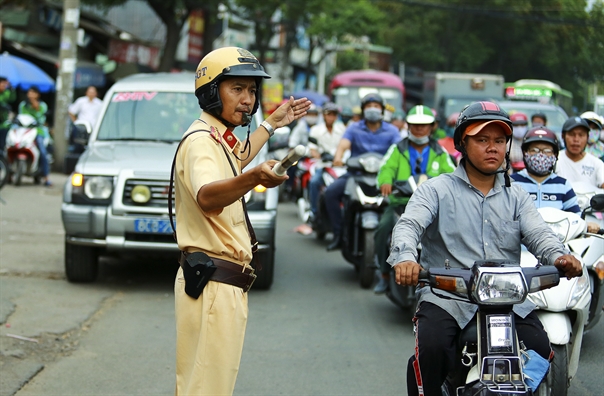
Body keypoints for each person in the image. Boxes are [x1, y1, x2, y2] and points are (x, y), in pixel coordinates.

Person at [388, 101, 582, 396]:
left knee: (542, 349)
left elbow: (539, 233)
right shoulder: (435, 190)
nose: (493, 148)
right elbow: (408, 225)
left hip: (508, 301)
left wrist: (559, 257)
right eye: (482, 140)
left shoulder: (516, 196)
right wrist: (405, 258)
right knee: (434, 347)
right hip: (447, 296)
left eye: (500, 141)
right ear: (462, 144)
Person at [173, 46, 310, 396]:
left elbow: (240, 156)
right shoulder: (202, 142)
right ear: (210, 91)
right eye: (237, 89)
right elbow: (207, 195)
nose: (248, 99)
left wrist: (271, 124)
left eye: (252, 90)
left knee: (204, 384)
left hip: (217, 281)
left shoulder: (217, 135)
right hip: (214, 282)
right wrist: (254, 179)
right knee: (208, 387)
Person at [373, 105, 455, 294]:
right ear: (408, 126)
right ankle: (384, 275)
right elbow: (386, 169)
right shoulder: (398, 148)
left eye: (424, 125)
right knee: (383, 229)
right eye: (415, 125)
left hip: (433, 208)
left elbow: (452, 175)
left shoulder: (440, 151)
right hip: (399, 204)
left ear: (432, 127)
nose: (419, 129)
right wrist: (385, 182)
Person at [325, 93, 401, 251]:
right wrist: (338, 157)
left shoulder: (392, 131)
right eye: (368, 106)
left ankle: (400, 241)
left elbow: (399, 151)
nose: (372, 109)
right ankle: (339, 235)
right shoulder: (354, 127)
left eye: (376, 106)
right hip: (356, 175)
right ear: (363, 110)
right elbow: (343, 145)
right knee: (330, 193)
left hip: (384, 177)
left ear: (382, 110)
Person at [511, 126, 601, 233]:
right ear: (525, 153)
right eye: (534, 150)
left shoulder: (563, 185)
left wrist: (586, 226)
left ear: (555, 155)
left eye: (547, 151)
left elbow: (576, 220)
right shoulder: (512, 183)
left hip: (556, 247)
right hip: (519, 247)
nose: (541, 155)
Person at [307, 102, 346, 221]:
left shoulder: (342, 130)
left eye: (333, 114)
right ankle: (314, 212)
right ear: (324, 115)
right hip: (323, 165)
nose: (331, 117)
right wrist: (320, 156)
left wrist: (339, 159)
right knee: (314, 182)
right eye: (329, 114)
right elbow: (313, 150)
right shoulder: (316, 130)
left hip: (339, 167)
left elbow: (346, 147)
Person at [555, 116, 604, 189]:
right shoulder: (554, 161)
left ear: (587, 138)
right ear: (563, 136)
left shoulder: (597, 164)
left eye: (581, 135)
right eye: (571, 134)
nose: (576, 140)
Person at [18, 86, 52, 186]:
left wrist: (36, 107)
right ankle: (9, 173)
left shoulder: (42, 106)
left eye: (33, 93)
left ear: (38, 95)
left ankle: (46, 177)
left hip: (37, 131)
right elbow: (21, 118)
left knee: (42, 151)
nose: (31, 95)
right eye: (30, 93)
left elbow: (41, 120)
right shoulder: (23, 105)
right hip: (24, 131)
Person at [0, 76, 16, 151]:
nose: (4, 86)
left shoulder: (6, 93)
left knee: (2, 144)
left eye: (5, 85)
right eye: (2, 84)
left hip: (3, 123)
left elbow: (13, 99)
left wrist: (11, 88)